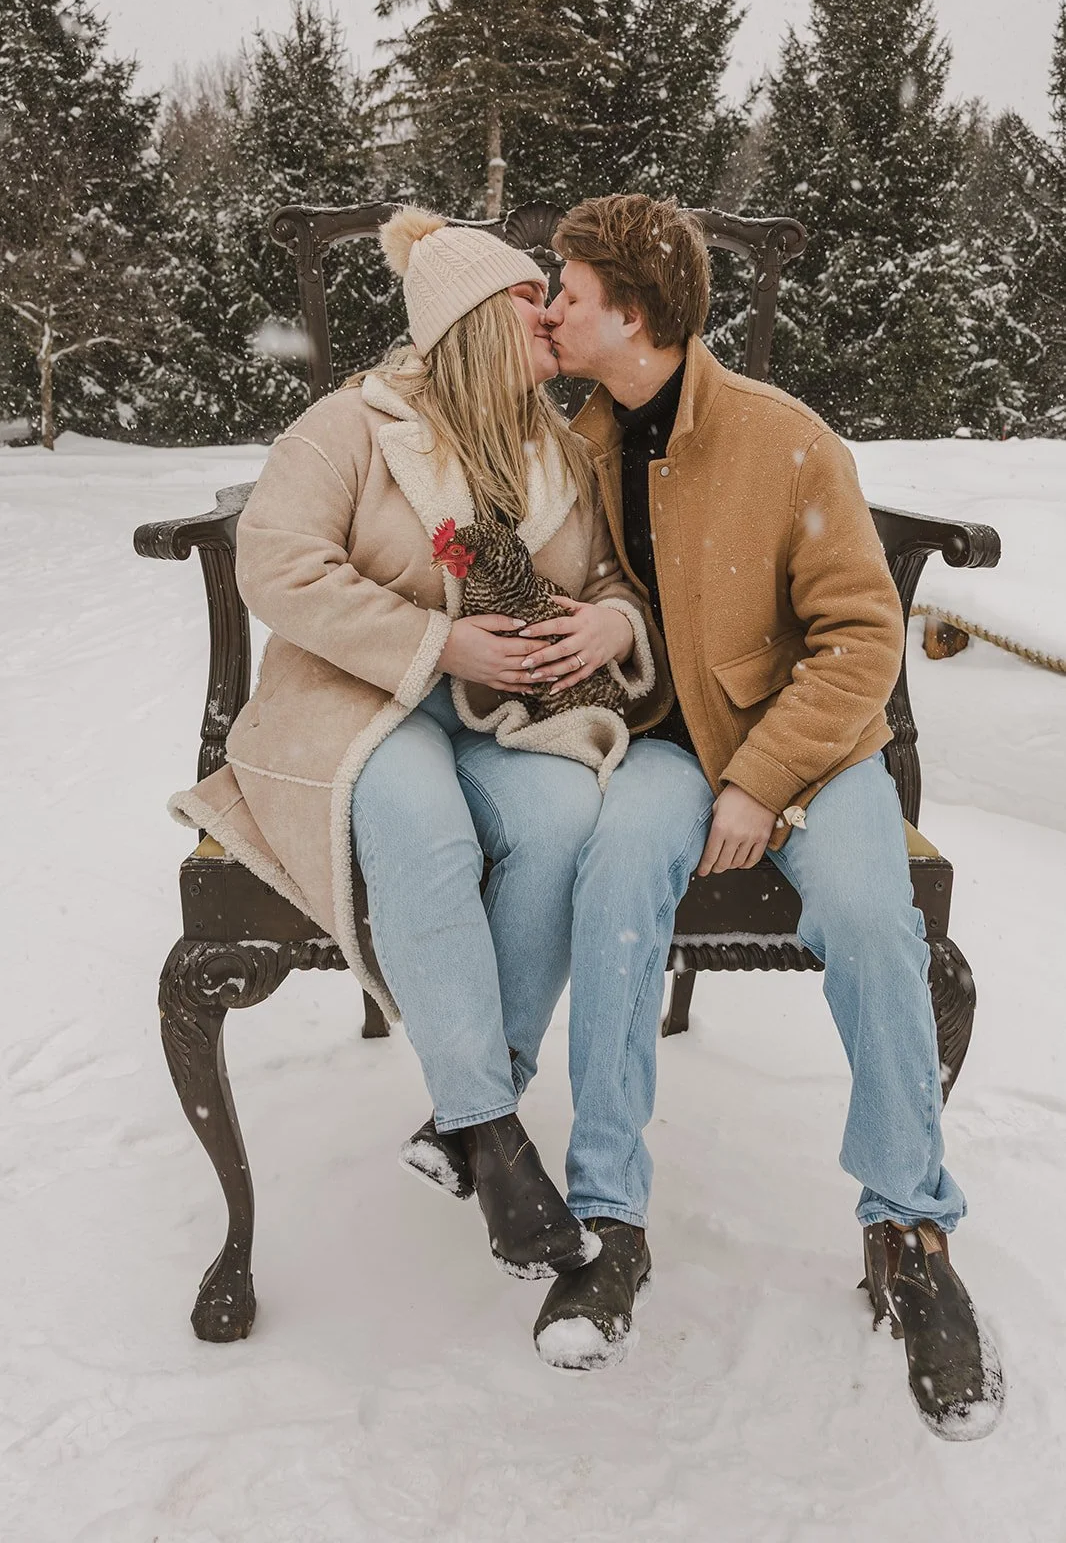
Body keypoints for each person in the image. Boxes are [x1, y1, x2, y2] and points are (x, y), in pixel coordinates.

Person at [515, 192, 1003, 1439]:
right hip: (674, 746)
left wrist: (763, 780)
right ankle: (609, 1220)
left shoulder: (783, 438)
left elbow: (860, 639)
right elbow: (605, 572)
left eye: (565, 289)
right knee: (618, 879)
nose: (550, 305)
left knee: (868, 915)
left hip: (815, 752)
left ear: (632, 311)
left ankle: (910, 1228)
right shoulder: (583, 434)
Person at [169, 205, 666, 1285]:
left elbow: (615, 578)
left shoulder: (560, 449)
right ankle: (493, 1130)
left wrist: (611, 622)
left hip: (511, 716)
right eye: (526, 299)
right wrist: (438, 642)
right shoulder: (352, 427)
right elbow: (279, 564)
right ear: (475, 319)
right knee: (423, 826)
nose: (548, 313)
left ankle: (459, 1114)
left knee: (563, 817)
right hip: (362, 703)